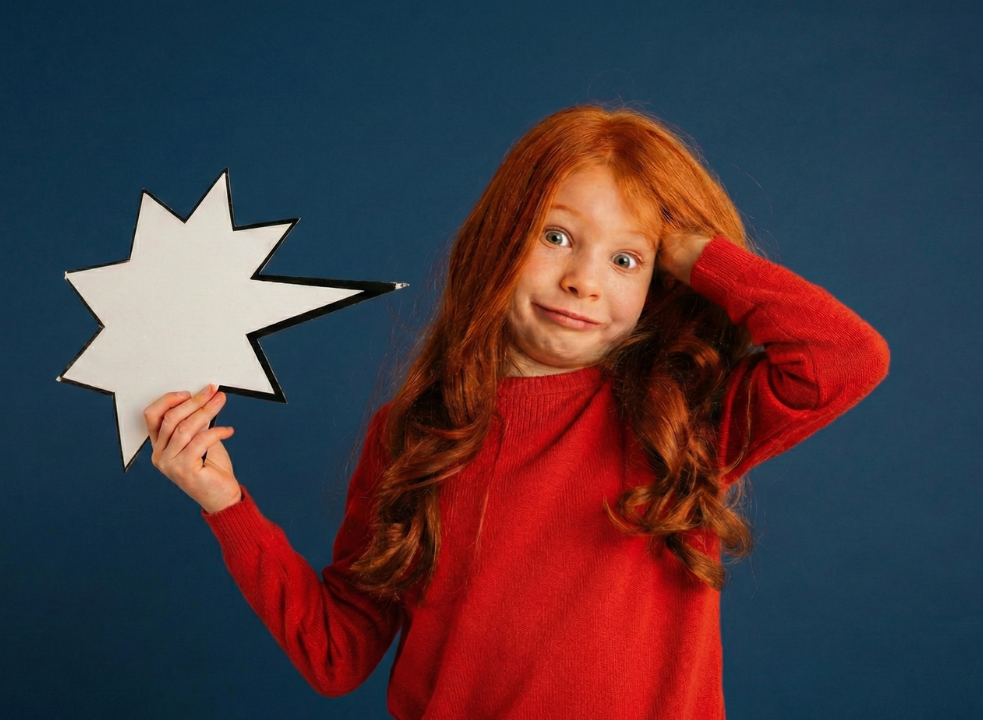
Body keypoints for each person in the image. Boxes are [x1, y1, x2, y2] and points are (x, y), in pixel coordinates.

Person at [144, 105, 890, 719]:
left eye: (626, 259)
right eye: (556, 237)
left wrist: (696, 252)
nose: (583, 280)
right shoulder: (413, 433)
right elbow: (338, 655)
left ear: (659, 280)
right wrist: (226, 504)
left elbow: (846, 358)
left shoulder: (680, 420)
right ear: (501, 239)